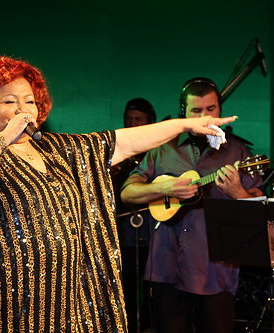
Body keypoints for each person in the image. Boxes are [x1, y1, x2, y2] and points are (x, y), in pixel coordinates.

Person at [0, 57, 237, 332]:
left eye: (29, 101)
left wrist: (187, 124)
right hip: (0, 312)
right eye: (9, 102)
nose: (23, 110)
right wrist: (4, 137)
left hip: (64, 309)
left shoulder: (58, 150)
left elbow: (123, 142)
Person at [121, 77, 264, 333]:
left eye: (211, 109)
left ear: (220, 109)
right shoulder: (162, 149)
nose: (205, 117)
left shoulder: (238, 153)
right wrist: (161, 188)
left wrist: (238, 192)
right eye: (196, 111)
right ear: (183, 112)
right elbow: (127, 193)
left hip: (217, 271)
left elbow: (258, 214)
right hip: (166, 267)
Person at [111, 97, 156, 332]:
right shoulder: (118, 154)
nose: (132, 124)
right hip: (125, 234)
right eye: (128, 119)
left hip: (155, 232)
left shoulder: (158, 154)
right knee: (126, 283)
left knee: (153, 287)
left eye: (138, 119)